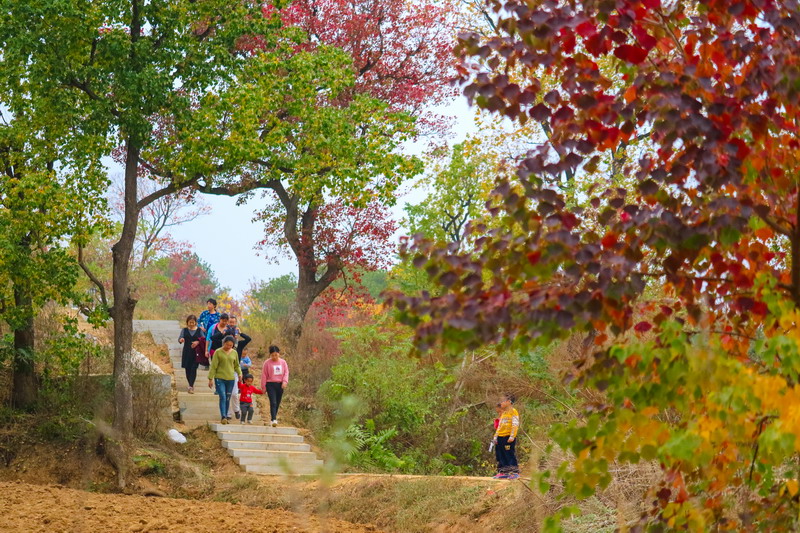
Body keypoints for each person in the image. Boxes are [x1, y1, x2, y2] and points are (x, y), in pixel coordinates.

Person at [207, 335, 241, 424]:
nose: (228, 347)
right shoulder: (218, 352)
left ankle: (225, 415)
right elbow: (213, 366)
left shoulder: (234, 353)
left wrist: (240, 374)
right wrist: (210, 378)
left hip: (230, 378)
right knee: (222, 396)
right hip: (220, 378)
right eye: (227, 345)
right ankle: (223, 416)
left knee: (228, 398)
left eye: (230, 345)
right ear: (224, 343)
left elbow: (237, 365)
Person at [492, 393, 520, 480]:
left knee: (509, 454)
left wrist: (512, 436)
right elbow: (500, 426)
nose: (501, 403)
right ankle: (503, 471)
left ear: (508, 402)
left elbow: (515, 424)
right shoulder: (504, 413)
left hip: (508, 437)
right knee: (501, 454)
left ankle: (514, 472)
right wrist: (495, 436)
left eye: (502, 401)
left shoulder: (513, 411)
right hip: (500, 437)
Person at [261, 345, 288, 427]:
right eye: (272, 355)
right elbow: (264, 375)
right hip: (270, 384)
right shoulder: (267, 363)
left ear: (279, 354)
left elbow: (286, 372)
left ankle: (273, 418)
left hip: (280, 385)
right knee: (273, 402)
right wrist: (263, 387)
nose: (274, 357)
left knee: (277, 402)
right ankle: (273, 419)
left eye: (276, 355)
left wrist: (285, 382)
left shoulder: (283, 362)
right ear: (270, 355)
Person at [178, 315, 204, 394]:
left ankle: (191, 385)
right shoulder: (184, 330)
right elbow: (180, 338)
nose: (191, 324)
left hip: (196, 353)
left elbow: (204, 339)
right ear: (187, 322)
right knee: (187, 369)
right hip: (187, 352)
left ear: (196, 323)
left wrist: (198, 342)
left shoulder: (199, 330)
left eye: (193, 322)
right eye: (190, 322)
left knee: (194, 368)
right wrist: (181, 340)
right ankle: (190, 384)